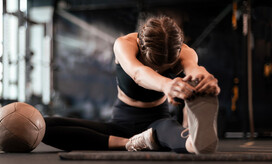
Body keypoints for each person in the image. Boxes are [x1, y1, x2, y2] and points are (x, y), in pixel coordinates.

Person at [42, 15, 220, 154]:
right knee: (44, 126)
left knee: (176, 135)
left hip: (156, 123)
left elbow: (194, 69)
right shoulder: (124, 44)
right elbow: (138, 73)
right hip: (121, 124)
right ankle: (129, 143)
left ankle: (193, 139)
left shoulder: (184, 52)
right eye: (155, 67)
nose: (158, 72)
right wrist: (166, 84)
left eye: (164, 69)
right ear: (142, 50)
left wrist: (205, 79)